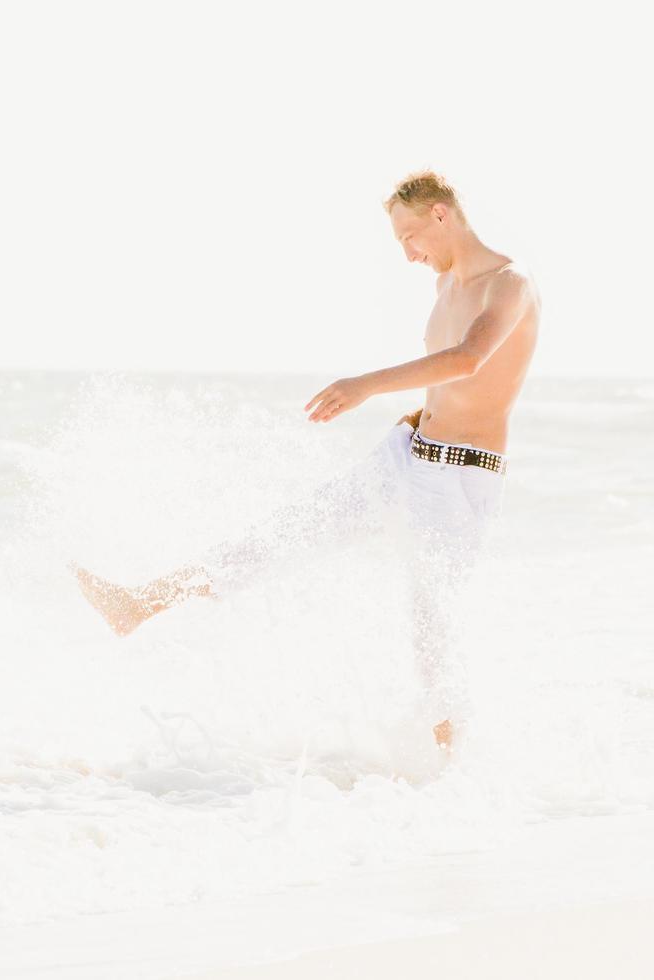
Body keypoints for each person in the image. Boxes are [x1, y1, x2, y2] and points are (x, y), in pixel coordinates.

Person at [73, 170, 540, 752]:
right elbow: (448, 387)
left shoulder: (508, 285)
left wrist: (365, 385)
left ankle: (454, 773)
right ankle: (138, 605)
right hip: (410, 452)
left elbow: (470, 361)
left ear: (441, 214)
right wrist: (416, 420)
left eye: (409, 237)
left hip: (459, 478)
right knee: (286, 535)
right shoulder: (445, 285)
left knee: (432, 629)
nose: (409, 254)